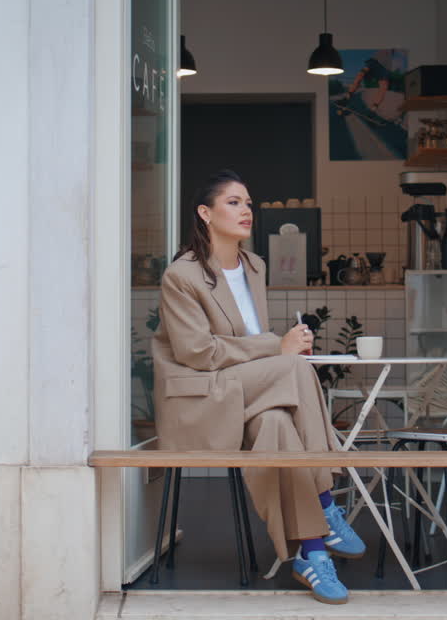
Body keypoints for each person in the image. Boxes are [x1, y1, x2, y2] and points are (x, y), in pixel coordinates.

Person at [151, 170, 365, 605]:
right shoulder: (182, 274)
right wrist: (277, 346)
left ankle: (311, 553)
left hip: (247, 393)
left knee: (277, 427)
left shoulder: (254, 266)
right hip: (202, 393)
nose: (246, 210)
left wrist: (285, 346)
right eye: (233, 202)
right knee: (295, 370)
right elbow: (197, 353)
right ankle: (325, 500)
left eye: (248, 202)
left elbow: (249, 343)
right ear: (204, 213)